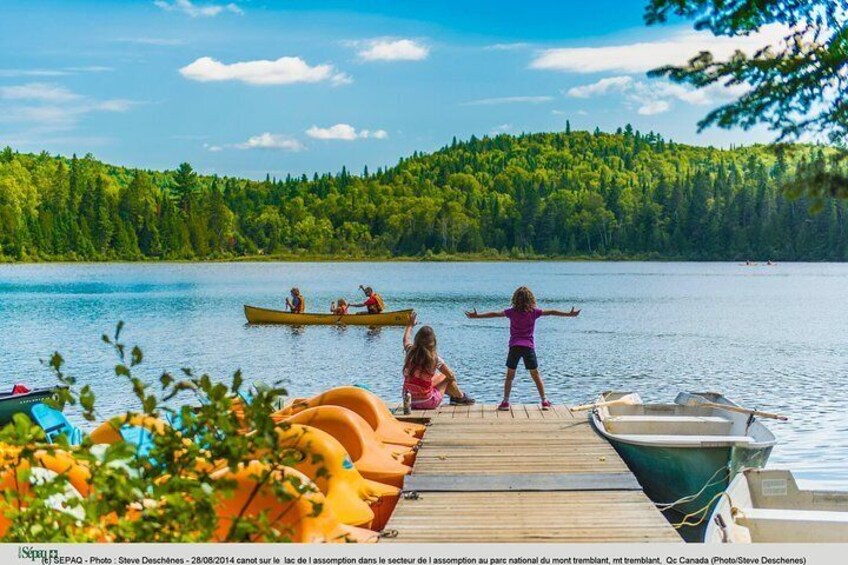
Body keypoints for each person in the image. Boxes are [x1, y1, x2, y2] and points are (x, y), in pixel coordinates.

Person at [465, 286, 580, 411]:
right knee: (536, 375)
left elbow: (494, 314)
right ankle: (544, 401)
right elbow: (552, 311)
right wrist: (569, 314)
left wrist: (477, 316)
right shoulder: (534, 312)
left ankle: (505, 402)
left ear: (515, 299)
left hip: (514, 347)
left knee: (510, 376)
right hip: (528, 347)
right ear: (531, 299)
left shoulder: (511, 312)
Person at [402, 312, 474, 410]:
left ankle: (455, 396)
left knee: (433, 377)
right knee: (447, 376)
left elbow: (405, 339)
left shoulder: (410, 351)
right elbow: (451, 375)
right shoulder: (434, 358)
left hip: (409, 401)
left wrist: (410, 325)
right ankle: (460, 396)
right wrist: (452, 382)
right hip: (427, 402)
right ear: (433, 342)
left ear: (417, 339)